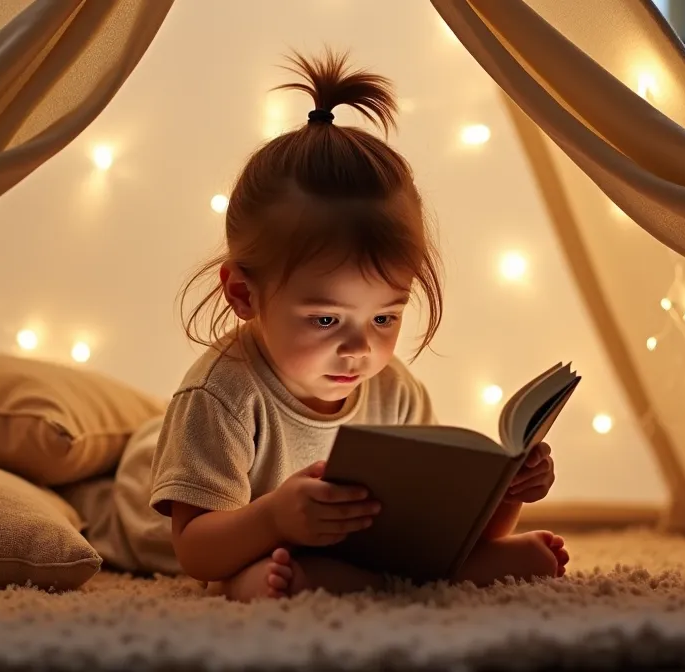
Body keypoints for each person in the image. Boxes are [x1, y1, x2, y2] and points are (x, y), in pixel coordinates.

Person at [96, 49, 569, 601]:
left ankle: (338, 578)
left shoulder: (394, 392)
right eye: (326, 318)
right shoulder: (219, 396)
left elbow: (432, 536)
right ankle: (324, 576)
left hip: (319, 549)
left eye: (386, 316)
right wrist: (273, 519)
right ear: (244, 295)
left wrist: (507, 494)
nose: (359, 348)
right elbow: (195, 551)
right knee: (248, 573)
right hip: (166, 509)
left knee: (351, 567)